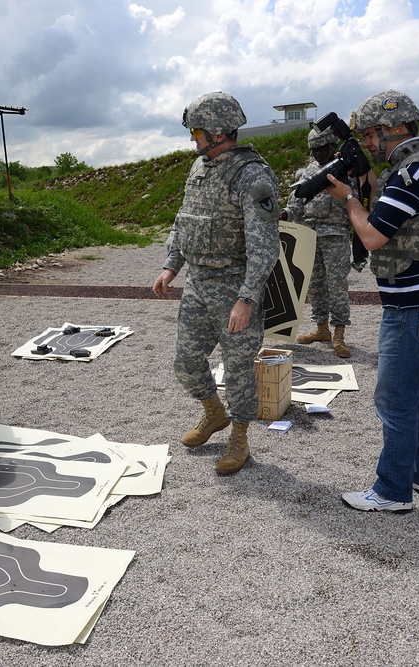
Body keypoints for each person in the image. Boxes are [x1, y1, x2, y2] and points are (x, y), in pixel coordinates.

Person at [324, 91, 419, 512]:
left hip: (412, 300)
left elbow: (372, 236)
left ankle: (392, 491)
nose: (367, 142)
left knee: (396, 399)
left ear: (395, 129)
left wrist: (348, 200)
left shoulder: (413, 172)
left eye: (371, 134)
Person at [152, 92, 281, 475]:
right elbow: (184, 220)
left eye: (197, 131)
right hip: (198, 282)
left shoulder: (252, 175)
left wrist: (247, 299)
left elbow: (265, 245)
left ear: (219, 131)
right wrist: (170, 266)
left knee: (238, 366)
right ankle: (214, 412)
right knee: (186, 361)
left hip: (233, 285)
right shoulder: (200, 168)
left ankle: (239, 437)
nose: (193, 139)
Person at [282, 124, 353, 357]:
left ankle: (339, 333)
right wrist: (284, 214)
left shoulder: (345, 170)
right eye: (314, 150)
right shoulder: (306, 173)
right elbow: (296, 203)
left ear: (333, 145)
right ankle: (322, 329)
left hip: (335, 235)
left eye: (322, 148)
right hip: (310, 234)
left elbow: (359, 200)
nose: (318, 154)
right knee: (315, 285)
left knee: (337, 286)